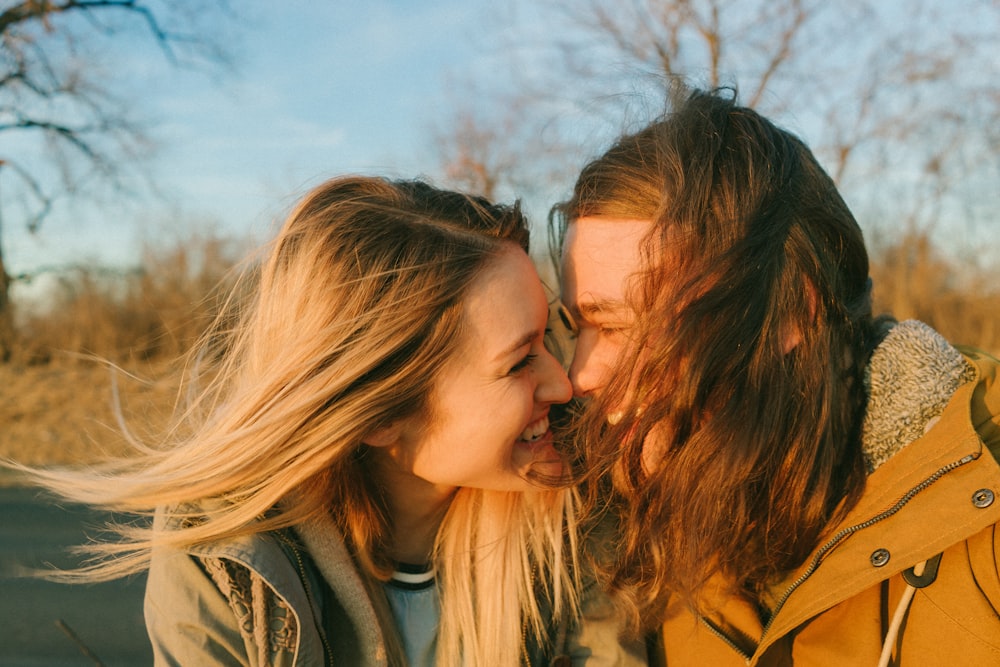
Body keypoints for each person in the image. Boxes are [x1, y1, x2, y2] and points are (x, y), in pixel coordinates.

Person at [13, 175, 601, 666]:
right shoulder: (232, 560)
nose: (564, 382)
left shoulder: (590, 512)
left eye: (550, 336)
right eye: (519, 360)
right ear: (379, 412)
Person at [552, 88, 1000, 665]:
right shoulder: (622, 532)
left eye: (615, 328)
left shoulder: (981, 527)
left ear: (786, 313)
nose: (579, 376)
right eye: (575, 328)